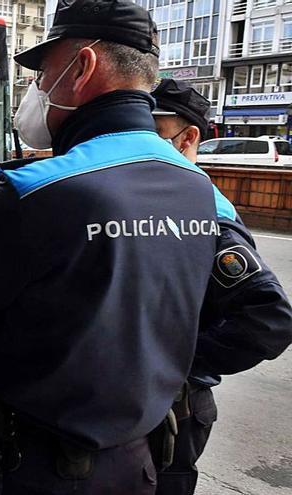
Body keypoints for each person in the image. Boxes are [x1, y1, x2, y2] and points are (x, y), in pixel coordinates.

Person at [0, 0, 231, 493]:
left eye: (43, 73)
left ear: (82, 66)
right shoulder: (201, 190)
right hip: (140, 462)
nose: (37, 88)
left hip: (29, 465)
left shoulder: (37, 190)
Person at [150, 79, 292, 495]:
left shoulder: (204, 210)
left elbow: (268, 321)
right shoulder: (152, 197)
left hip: (175, 408)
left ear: (188, 136)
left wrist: (176, 361)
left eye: (156, 132)